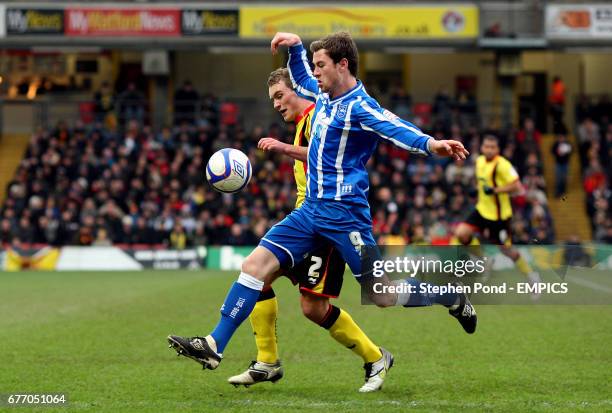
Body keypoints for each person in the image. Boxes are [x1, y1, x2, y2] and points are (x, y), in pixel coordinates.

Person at [168, 31, 475, 389]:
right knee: (254, 266)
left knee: (382, 295)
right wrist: (296, 46)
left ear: (342, 65)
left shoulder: (360, 107)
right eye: (314, 66)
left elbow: (396, 129)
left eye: (320, 65)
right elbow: (298, 77)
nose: (314, 73)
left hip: (347, 217)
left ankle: (450, 296)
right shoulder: (323, 95)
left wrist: (432, 144)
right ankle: (214, 345)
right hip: (310, 210)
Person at [225, 68, 386, 392]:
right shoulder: (303, 124)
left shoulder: (318, 118)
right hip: (307, 220)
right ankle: (266, 362)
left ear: (298, 90)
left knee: (323, 305)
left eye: (280, 96)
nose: (276, 105)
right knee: (260, 278)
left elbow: (324, 160)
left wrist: (283, 147)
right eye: (273, 100)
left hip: (327, 224)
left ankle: (376, 357)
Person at [454, 135, 541, 289]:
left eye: (492, 147)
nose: (488, 150)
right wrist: (476, 190)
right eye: (486, 146)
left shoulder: (503, 165)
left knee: (507, 250)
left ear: (497, 149)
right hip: (482, 210)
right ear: (482, 148)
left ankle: (531, 275)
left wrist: (495, 190)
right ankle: (484, 260)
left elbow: (518, 187)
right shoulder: (479, 161)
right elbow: (482, 181)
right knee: (461, 233)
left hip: (499, 217)